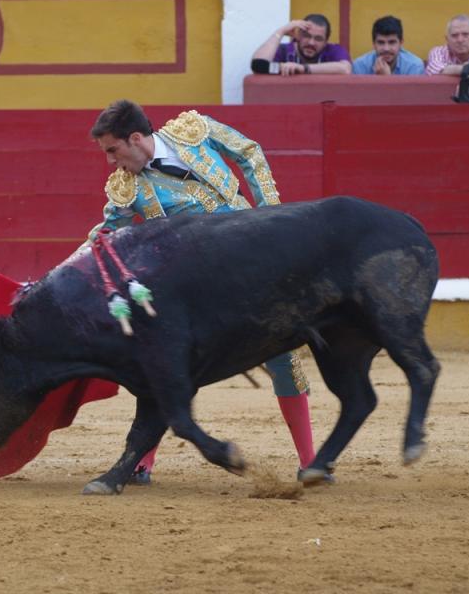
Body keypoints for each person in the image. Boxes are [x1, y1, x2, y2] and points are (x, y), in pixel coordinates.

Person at [87, 99, 327, 485]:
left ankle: (311, 461)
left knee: (285, 353)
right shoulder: (126, 188)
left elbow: (249, 151)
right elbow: (104, 238)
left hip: (254, 265)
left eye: (113, 151)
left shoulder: (193, 130)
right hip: (198, 294)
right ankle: (141, 463)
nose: (111, 162)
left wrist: (270, 215)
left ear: (135, 138)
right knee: (164, 366)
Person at [251, 14, 351, 76]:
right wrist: (281, 31)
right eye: (307, 36)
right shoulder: (284, 50)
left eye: (318, 39)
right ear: (298, 35)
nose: (311, 42)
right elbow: (257, 65)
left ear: (326, 42)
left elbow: (345, 69)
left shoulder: (333, 50)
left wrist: (302, 68)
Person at [352, 16, 424, 75]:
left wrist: (387, 79)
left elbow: (411, 93)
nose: (386, 48)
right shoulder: (360, 65)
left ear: (401, 43)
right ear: (373, 44)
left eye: (392, 42)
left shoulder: (414, 65)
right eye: (381, 42)